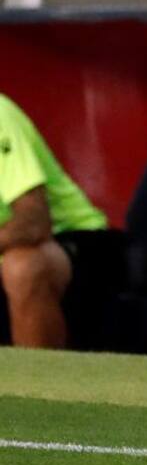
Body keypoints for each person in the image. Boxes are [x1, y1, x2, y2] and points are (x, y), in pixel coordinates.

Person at [0, 94, 107, 349]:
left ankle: (37, 373)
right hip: (9, 245)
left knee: (23, 266)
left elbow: (33, 222)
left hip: (77, 239)